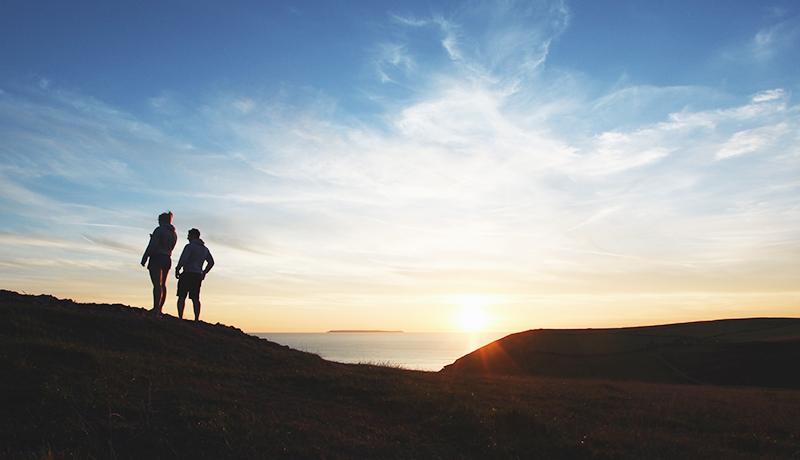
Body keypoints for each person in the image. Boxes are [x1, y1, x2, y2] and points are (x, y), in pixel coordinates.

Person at [141, 212, 178, 314]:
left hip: (157, 257)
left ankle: (156, 307)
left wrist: (145, 257)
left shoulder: (159, 230)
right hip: (167, 258)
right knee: (163, 285)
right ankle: (160, 308)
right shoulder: (173, 233)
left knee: (157, 284)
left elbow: (153, 245)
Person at [175, 228, 214, 321]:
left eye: (189, 235)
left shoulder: (189, 247)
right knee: (195, 298)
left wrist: (178, 268)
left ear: (192, 235)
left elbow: (183, 259)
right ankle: (196, 318)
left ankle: (180, 317)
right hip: (197, 275)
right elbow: (211, 262)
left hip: (187, 273)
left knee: (181, 296)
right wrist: (204, 272)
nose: (187, 237)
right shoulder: (205, 249)